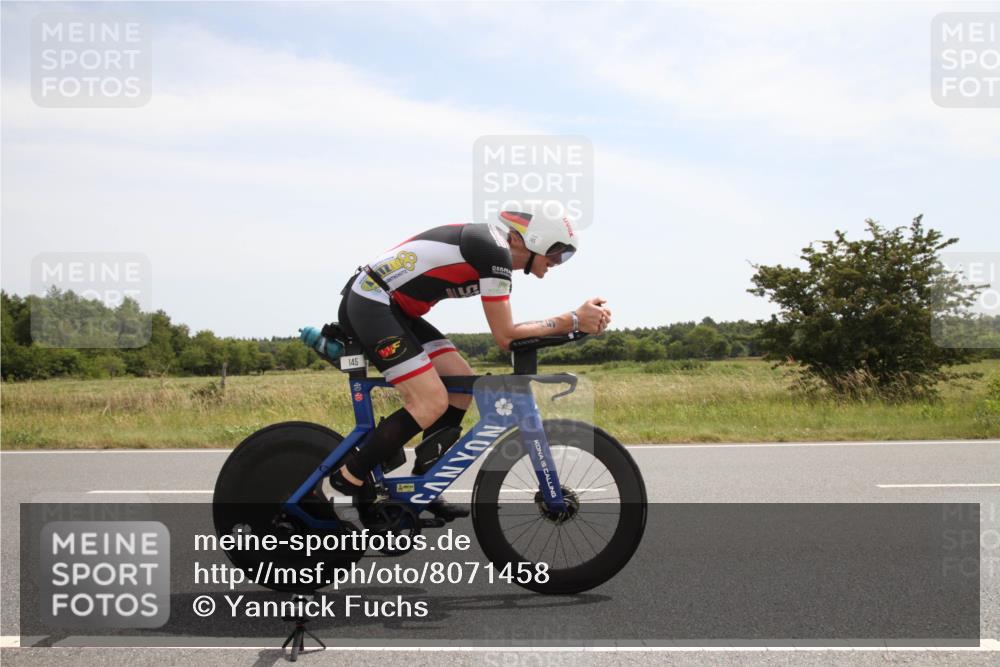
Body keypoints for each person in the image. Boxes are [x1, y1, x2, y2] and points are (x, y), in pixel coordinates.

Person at [331, 209, 611, 519]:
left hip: (396, 309)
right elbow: (506, 336)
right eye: (558, 252)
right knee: (430, 400)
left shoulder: (496, 252)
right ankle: (351, 475)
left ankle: (427, 486)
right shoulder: (494, 251)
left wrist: (574, 326)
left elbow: (512, 335)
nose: (558, 262)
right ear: (532, 240)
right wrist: (572, 319)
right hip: (373, 302)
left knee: (460, 383)